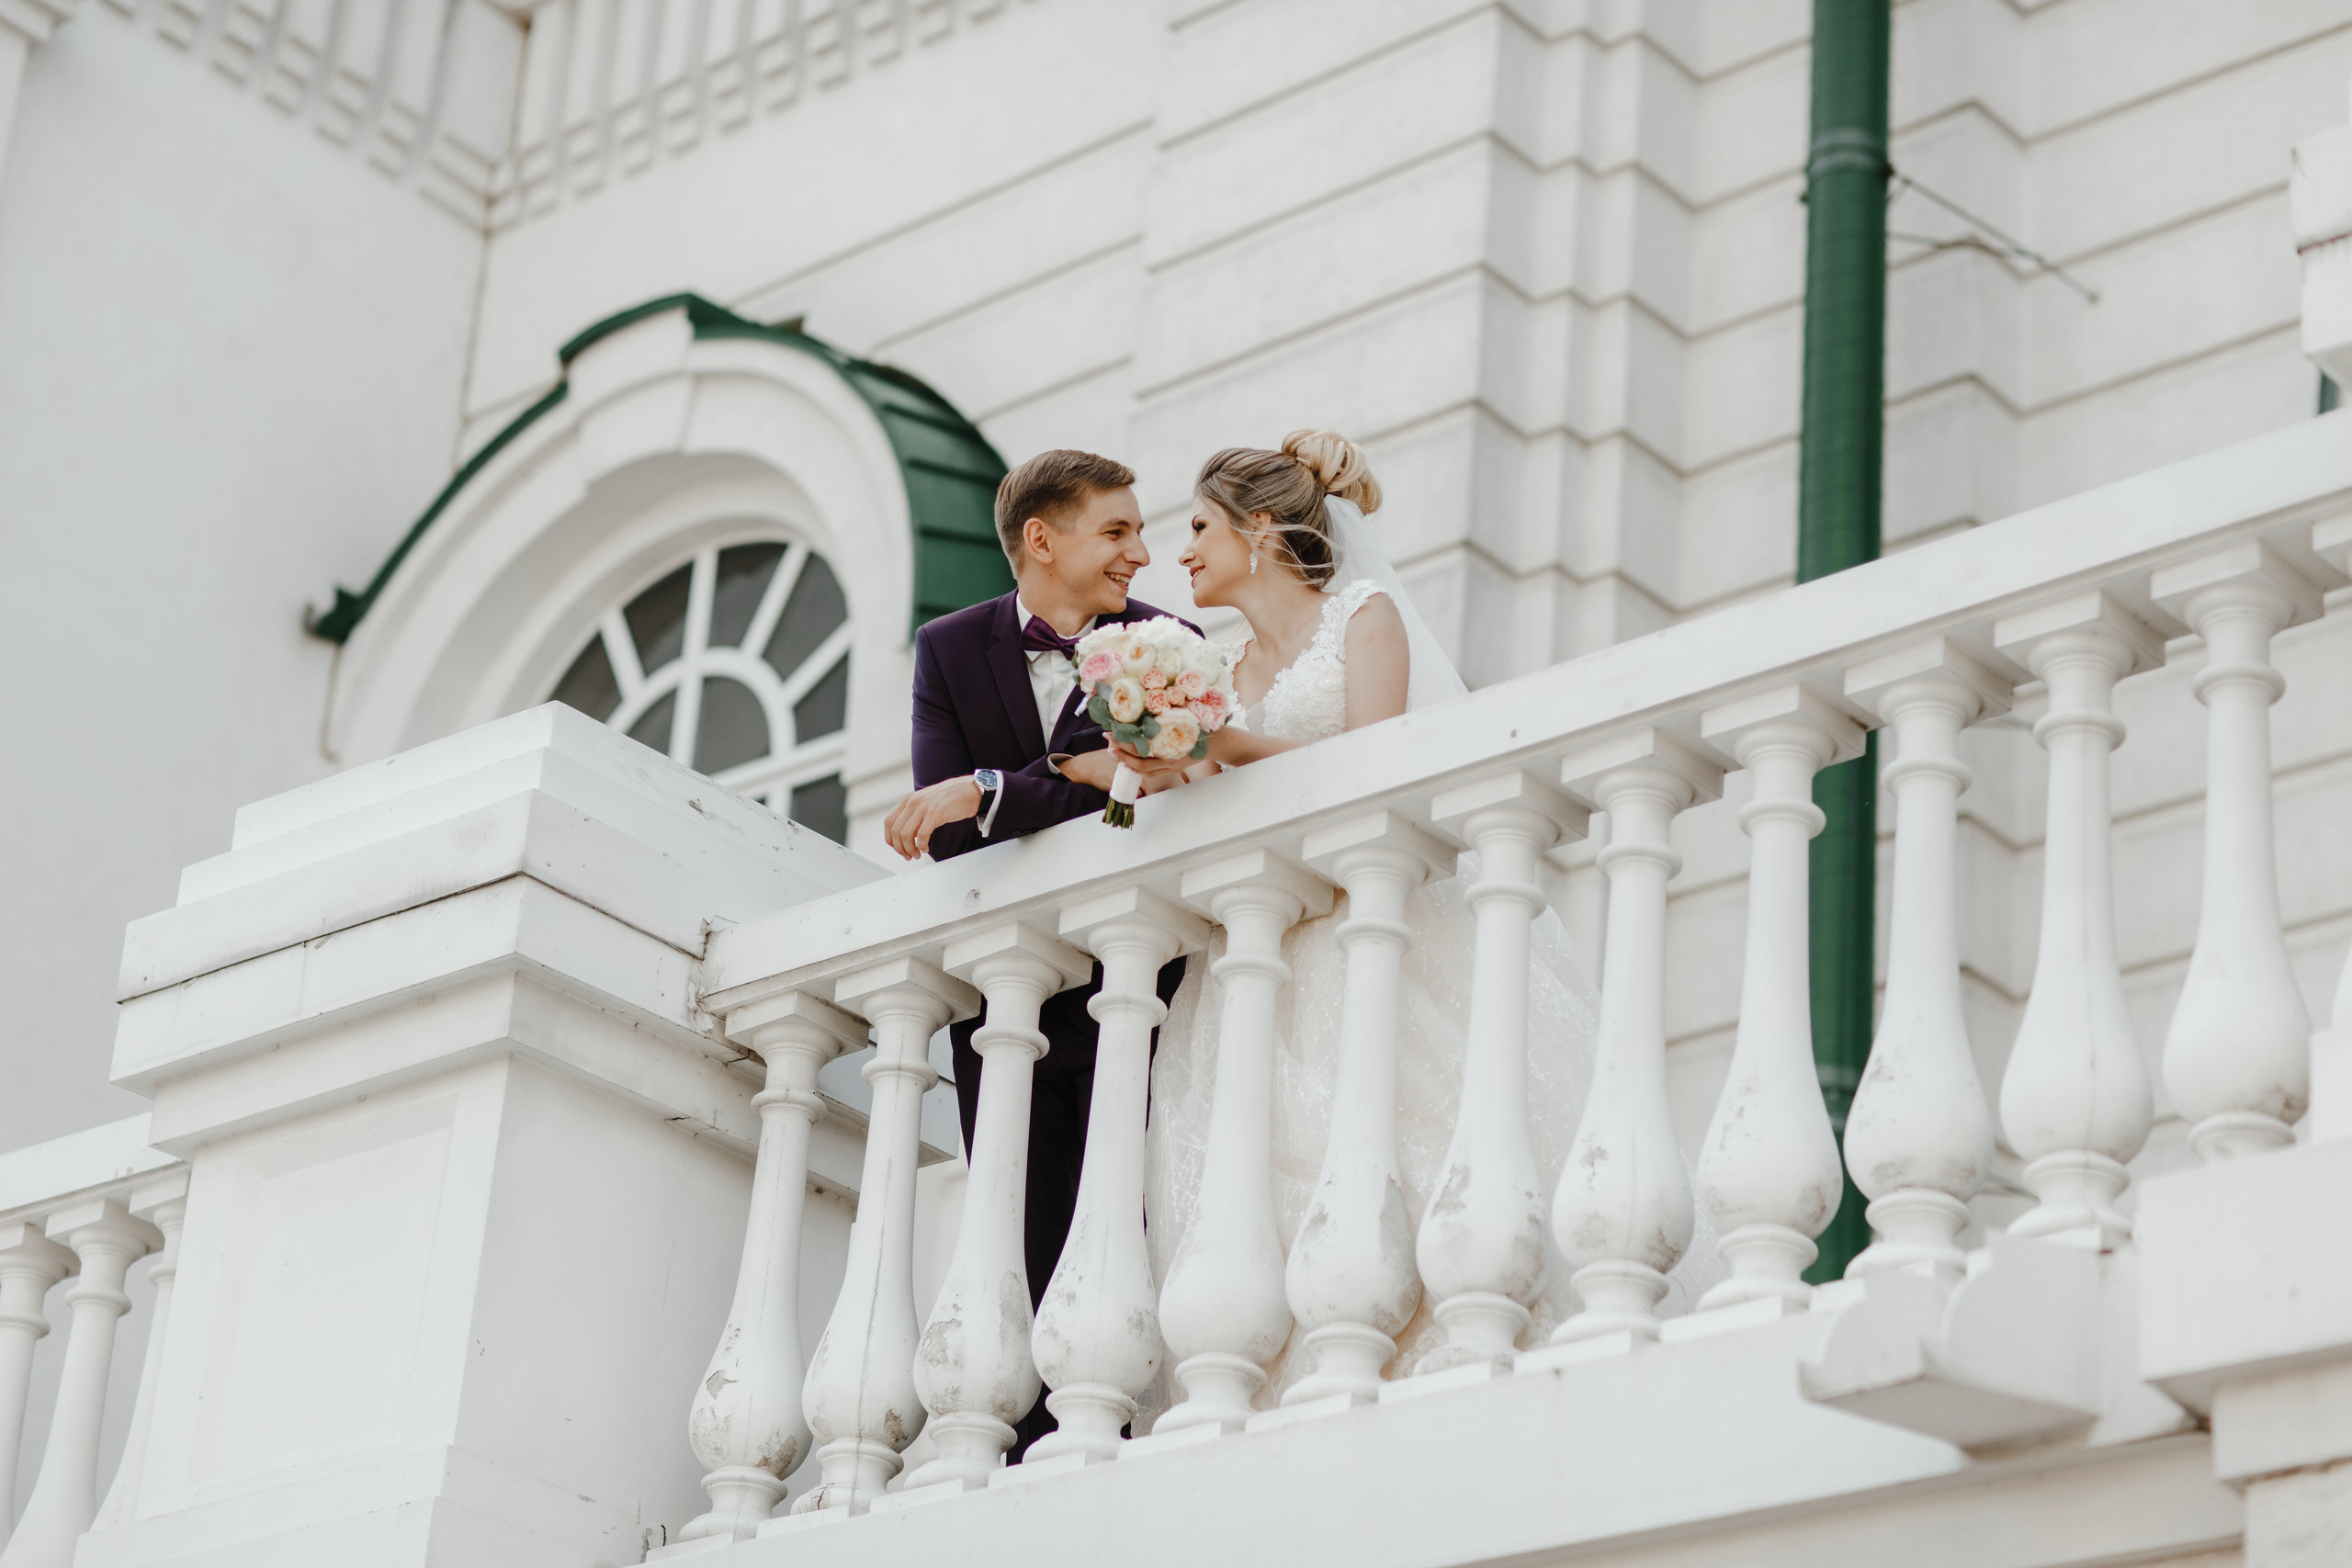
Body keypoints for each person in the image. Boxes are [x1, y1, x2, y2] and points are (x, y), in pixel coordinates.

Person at [1117, 431, 1724, 1426]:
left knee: (1409, 1141)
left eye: (1197, 528)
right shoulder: (1215, 669)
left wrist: (1218, 741)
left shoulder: (1364, 617)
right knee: (1261, 1178)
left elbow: (1372, 767)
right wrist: (1140, 754)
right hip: (1256, 955)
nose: (1179, 553)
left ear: (1259, 530)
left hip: (1373, 931)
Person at [885, 447, 1195, 1460]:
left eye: (1142, 532)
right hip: (1002, 1006)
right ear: (1040, 539)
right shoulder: (947, 647)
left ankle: (1117, 1431)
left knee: (1128, 1213)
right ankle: (1018, 1453)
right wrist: (1050, 781)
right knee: (1011, 1230)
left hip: (1135, 985)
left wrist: (992, 788)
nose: (1140, 555)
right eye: (1117, 531)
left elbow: (1139, 803)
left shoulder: (1171, 646)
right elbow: (946, 834)